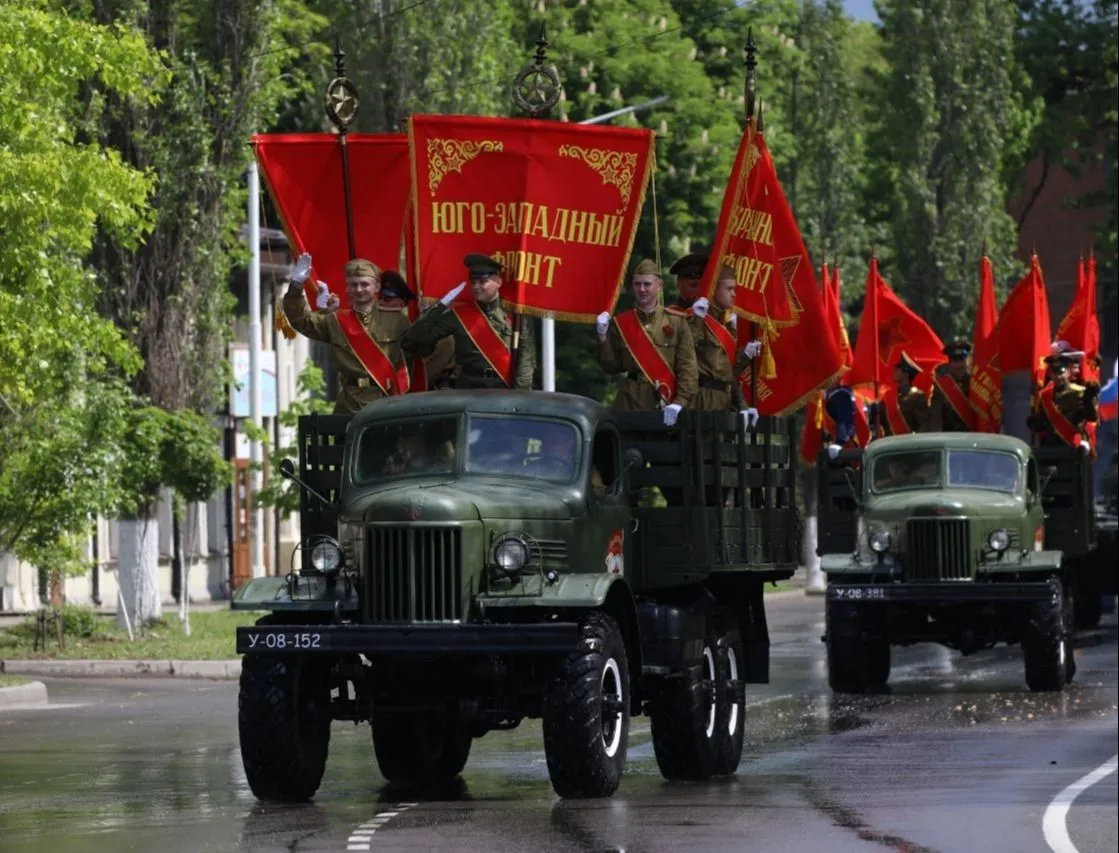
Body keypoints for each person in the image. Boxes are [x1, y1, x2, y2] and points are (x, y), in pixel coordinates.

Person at [282, 253, 409, 414]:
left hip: (387, 400)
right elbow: (301, 321)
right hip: (350, 404)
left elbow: (415, 352)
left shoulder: (397, 320)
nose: (359, 289)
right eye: (353, 284)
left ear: (377, 287)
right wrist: (296, 285)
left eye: (364, 284)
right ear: (347, 288)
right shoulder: (336, 321)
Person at [401, 254, 536, 390]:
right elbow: (411, 341)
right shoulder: (458, 316)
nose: (476, 286)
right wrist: (440, 306)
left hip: (504, 389)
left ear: (498, 282)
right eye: (473, 282)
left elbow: (526, 358)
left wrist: (520, 394)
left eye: (482, 282)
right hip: (468, 390)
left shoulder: (516, 315)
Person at [595, 258, 698, 425]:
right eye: (637, 284)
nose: (642, 289)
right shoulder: (622, 323)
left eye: (647, 284)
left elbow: (688, 369)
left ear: (660, 285)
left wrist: (679, 403)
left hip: (664, 403)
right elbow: (611, 366)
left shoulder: (676, 322)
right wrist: (602, 336)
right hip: (629, 402)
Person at [675, 265, 763, 426]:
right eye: (729, 289)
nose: (734, 294)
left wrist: (743, 406)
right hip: (702, 401)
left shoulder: (725, 325)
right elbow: (684, 355)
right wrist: (697, 320)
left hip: (723, 402)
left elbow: (728, 375)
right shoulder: (696, 318)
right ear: (713, 289)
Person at [379, 270, 457, 391]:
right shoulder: (376, 324)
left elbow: (427, 372)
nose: (380, 302)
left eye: (387, 299)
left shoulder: (442, 338)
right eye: (380, 298)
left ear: (402, 303)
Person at [1028, 354, 1098, 455]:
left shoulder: (1080, 392)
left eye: (1061, 373)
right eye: (1055, 373)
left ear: (1068, 372)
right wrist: (1036, 423)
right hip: (1050, 446)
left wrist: (1089, 400)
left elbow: (1092, 417)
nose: (1059, 377)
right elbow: (1043, 421)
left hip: (1072, 446)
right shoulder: (1045, 395)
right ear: (1050, 374)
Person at [870, 352, 930, 436]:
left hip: (908, 441)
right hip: (889, 441)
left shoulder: (917, 396)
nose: (894, 371)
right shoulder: (888, 396)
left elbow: (923, 425)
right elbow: (877, 421)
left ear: (906, 374)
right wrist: (875, 404)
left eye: (898, 369)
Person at [929, 339, 976, 432]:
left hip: (973, 435)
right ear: (950, 364)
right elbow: (936, 416)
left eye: (962, 360)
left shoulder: (974, 383)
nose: (959, 365)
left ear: (967, 361)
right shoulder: (942, 386)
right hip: (949, 436)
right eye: (955, 361)